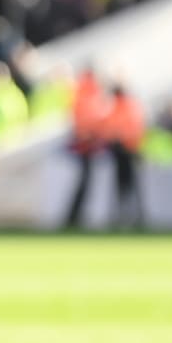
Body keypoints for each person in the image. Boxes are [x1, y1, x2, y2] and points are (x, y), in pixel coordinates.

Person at [65, 67, 109, 229]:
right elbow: (92, 121)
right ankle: (74, 217)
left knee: (84, 181)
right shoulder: (91, 96)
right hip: (87, 144)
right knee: (85, 181)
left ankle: (75, 216)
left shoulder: (80, 93)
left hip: (85, 143)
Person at [102, 84, 146, 229]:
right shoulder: (131, 106)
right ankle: (134, 216)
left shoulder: (119, 107)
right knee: (131, 186)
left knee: (124, 185)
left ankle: (126, 216)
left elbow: (113, 130)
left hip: (124, 151)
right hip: (130, 150)